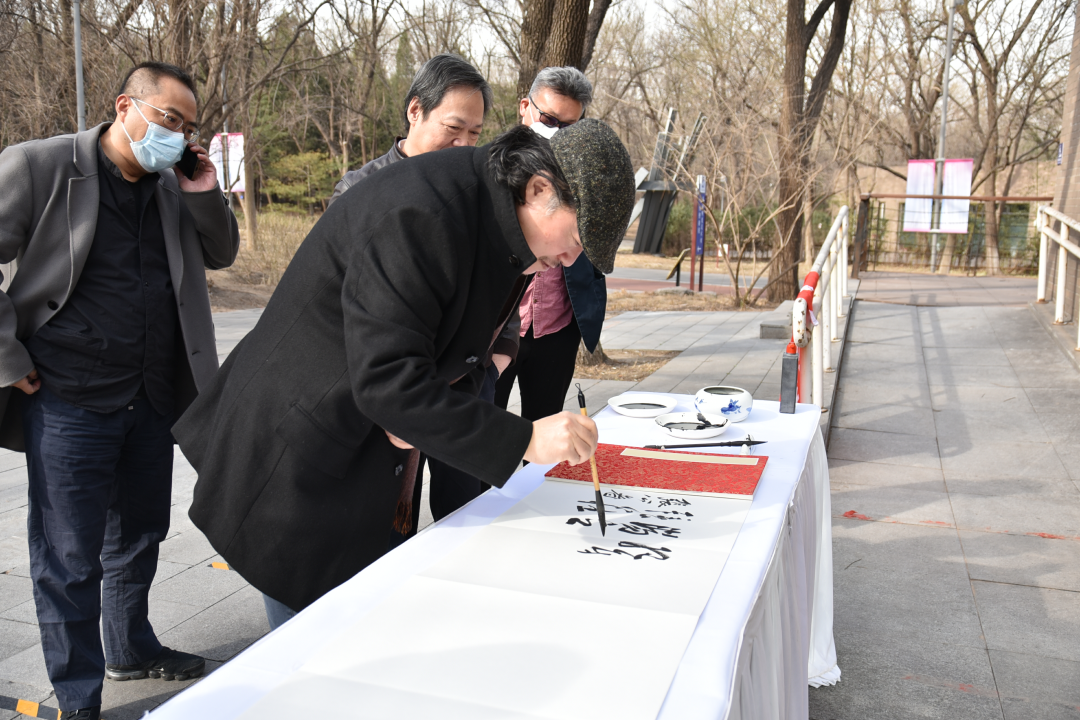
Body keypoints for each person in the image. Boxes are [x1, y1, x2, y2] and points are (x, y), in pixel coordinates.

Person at [173, 119, 636, 627]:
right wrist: (524, 438)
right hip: (298, 451)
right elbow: (389, 384)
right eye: (573, 239)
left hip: (361, 448)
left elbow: (449, 348)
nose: (570, 260)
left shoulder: (496, 213)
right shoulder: (422, 216)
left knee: (356, 629)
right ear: (539, 188)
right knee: (313, 648)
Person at [0, 62, 240, 720]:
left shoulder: (174, 182)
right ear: (123, 106)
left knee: (139, 534)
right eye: (167, 118)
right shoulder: (38, 166)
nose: (176, 134)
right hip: (67, 397)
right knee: (69, 559)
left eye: (188, 127)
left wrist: (202, 189)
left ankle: (128, 647)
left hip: (153, 395)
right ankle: (78, 703)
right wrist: (5, 354)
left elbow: (220, 254)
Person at [326, 54, 512, 549]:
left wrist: (498, 355)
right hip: (389, 391)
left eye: (475, 134)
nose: (464, 144)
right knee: (385, 519)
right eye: (454, 128)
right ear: (415, 111)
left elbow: (506, 277)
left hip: (464, 381)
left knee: (465, 506)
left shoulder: (478, 193)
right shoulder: (360, 190)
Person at [494, 67, 609, 424]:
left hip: (557, 327)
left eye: (569, 126)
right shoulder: (491, 169)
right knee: (482, 434)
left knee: (546, 429)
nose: (557, 131)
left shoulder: (586, 178)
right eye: (549, 118)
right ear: (524, 107)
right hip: (496, 329)